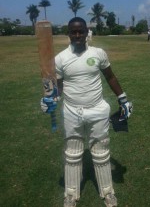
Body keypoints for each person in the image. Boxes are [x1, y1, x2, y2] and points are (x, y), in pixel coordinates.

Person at [41, 17, 133, 207]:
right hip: (72, 111)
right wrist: (49, 100)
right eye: (73, 32)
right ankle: (71, 194)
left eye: (80, 31)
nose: (77, 35)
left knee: (101, 152)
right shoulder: (60, 59)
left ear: (86, 32)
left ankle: (108, 192)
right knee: (72, 153)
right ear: (68, 34)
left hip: (98, 109)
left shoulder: (98, 53)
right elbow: (58, 87)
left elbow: (110, 76)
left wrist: (122, 98)